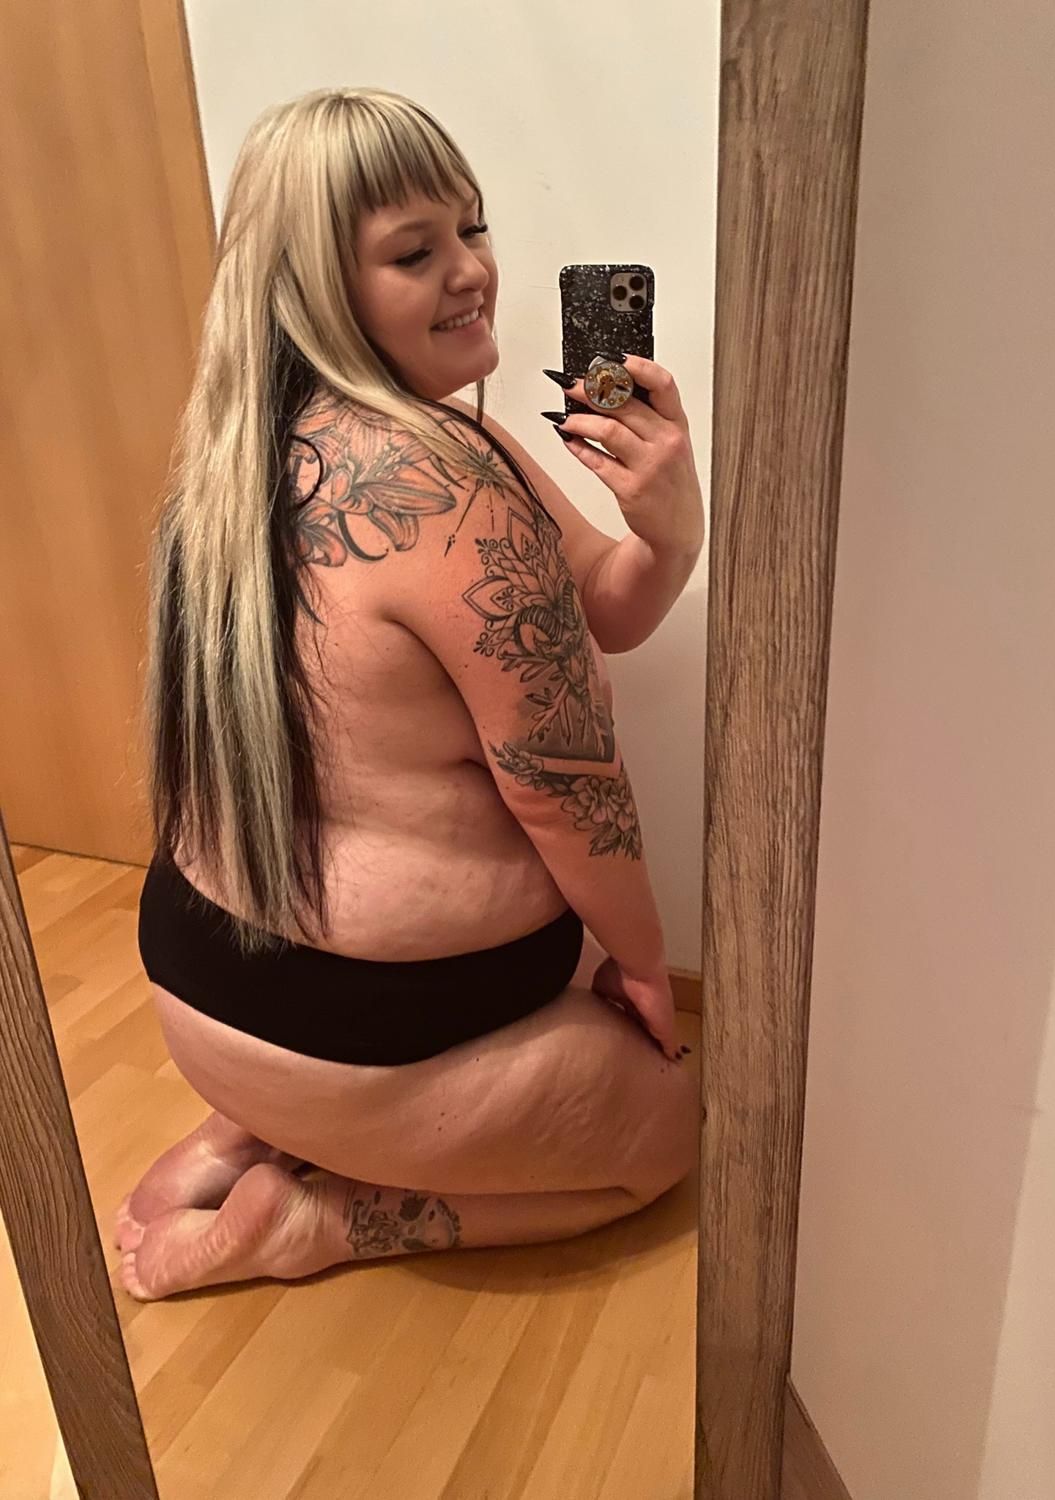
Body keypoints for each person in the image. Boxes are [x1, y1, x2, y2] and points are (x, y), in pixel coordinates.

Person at [116, 86, 706, 1301]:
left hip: (203, 985)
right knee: (670, 1138)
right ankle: (328, 1220)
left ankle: (247, 1130)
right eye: (413, 251)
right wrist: (647, 963)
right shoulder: (451, 483)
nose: (471, 270)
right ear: (316, 287)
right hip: (365, 1031)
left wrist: (669, 530)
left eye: (472, 227)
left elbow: (608, 604)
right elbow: (565, 784)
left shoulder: (233, 467)